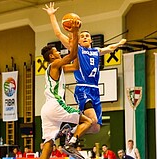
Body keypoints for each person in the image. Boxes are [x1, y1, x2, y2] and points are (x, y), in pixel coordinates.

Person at [43, 2, 126, 134]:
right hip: (83, 87)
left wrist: (118, 44)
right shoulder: (77, 49)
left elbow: (109, 48)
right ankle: (71, 134)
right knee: (91, 120)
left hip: (95, 89)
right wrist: (52, 15)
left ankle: (70, 130)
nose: (85, 37)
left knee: (96, 128)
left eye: (87, 36)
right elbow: (58, 33)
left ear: (91, 40)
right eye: (82, 36)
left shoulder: (96, 51)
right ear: (78, 41)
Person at [40, 20, 92, 159]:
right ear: (51, 56)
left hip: (46, 109)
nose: (58, 53)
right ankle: (70, 140)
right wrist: (75, 34)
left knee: (49, 143)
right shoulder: (55, 63)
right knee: (88, 121)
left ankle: (65, 131)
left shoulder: (55, 68)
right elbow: (72, 56)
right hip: (56, 105)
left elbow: (75, 66)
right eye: (56, 51)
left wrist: (77, 47)